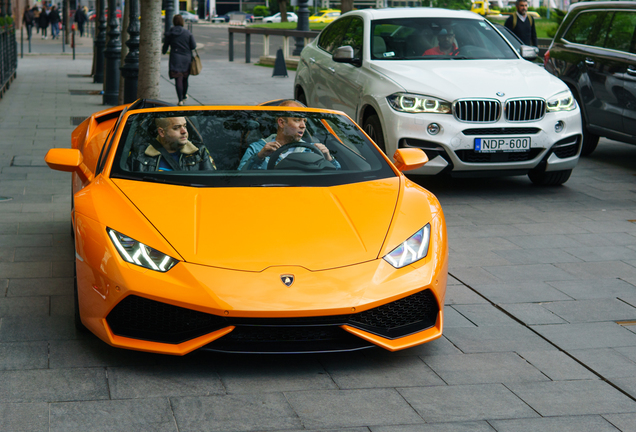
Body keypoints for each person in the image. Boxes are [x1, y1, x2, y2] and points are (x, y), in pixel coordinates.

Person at [238, 100, 340, 171]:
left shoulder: (312, 150)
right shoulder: (257, 148)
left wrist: (328, 158)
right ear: (281, 123)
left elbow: (337, 177)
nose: (303, 126)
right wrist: (259, 157)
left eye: (304, 121)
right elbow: (240, 177)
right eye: (297, 120)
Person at [131, 117, 216, 172]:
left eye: (185, 126)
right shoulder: (140, 154)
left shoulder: (199, 153)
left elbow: (211, 184)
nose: (184, 131)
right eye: (176, 128)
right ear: (161, 132)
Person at [162, 15, 196, 106]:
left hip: (175, 58)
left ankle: (180, 99)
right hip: (186, 58)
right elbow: (193, 46)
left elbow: (165, 47)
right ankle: (184, 96)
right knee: (185, 79)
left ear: (173, 22)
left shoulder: (170, 33)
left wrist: (164, 51)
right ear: (182, 22)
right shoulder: (187, 33)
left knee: (178, 79)